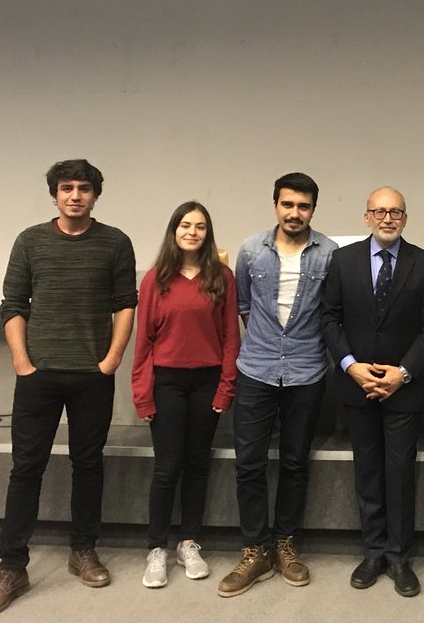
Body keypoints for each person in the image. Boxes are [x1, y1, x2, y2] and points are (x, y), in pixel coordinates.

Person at [0, 159, 137, 618]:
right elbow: (13, 304)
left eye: (84, 188)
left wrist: (111, 360)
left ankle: (83, 550)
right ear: (55, 194)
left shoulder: (115, 242)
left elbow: (126, 304)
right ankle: (12, 568)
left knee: (88, 464)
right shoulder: (29, 241)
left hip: (92, 375)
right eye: (67, 188)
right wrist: (22, 363)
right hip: (38, 376)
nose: (75, 196)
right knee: (26, 469)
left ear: (95, 195)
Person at [321, 187, 424, 598]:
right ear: (367, 217)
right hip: (356, 385)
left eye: (395, 212)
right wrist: (350, 366)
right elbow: (329, 318)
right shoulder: (343, 261)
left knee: (400, 472)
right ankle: (373, 551)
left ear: (405, 218)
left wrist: (403, 373)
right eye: (379, 211)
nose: (387, 218)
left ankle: (399, 556)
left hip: (403, 389)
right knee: (368, 472)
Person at [217, 173, 339, 597]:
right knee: (249, 463)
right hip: (256, 369)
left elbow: (332, 312)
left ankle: (285, 542)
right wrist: (269, 343)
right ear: (275, 206)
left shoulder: (329, 253)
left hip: (307, 370)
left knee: (294, 461)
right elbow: (244, 305)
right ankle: (256, 549)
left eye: (303, 206)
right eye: (288, 204)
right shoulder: (252, 250)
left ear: (313, 210)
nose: (294, 213)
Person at [132, 201, 240, 589]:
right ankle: (156, 548)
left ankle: (188, 543)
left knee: (197, 464)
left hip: (206, 383)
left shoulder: (222, 277)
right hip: (167, 384)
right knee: (167, 467)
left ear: (208, 234)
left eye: (200, 226)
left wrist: (226, 388)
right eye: (185, 225)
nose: (192, 232)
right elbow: (143, 341)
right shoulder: (155, 279)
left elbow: (231, 338)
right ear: (174, 231)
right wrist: (142, 394)